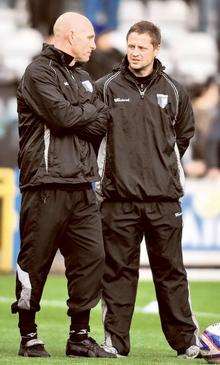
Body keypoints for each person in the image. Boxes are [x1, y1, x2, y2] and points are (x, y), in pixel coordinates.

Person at [11, 12, 116, 359]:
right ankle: (29, 335)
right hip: (45, 184)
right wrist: (82, 112)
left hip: (82, 185)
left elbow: (100, 122)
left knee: (92, 259)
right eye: (88, 37)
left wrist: (80, 112)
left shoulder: (84, 76)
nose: (92, 44)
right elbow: (64, 117)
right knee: (35, 262)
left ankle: (80, 336)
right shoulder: (38, 71)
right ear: (70, 35)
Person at [96, 21, 200, 359]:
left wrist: (160, 171)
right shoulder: (106, 87)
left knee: (171, 273)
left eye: (142, 47)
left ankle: (185, 342)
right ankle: (116, 342)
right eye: (131, 45)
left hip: (164, 200)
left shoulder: (174, 90)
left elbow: (182, 137)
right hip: (118, 200)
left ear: (156, 49)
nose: (135, 52)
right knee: (118, 275)